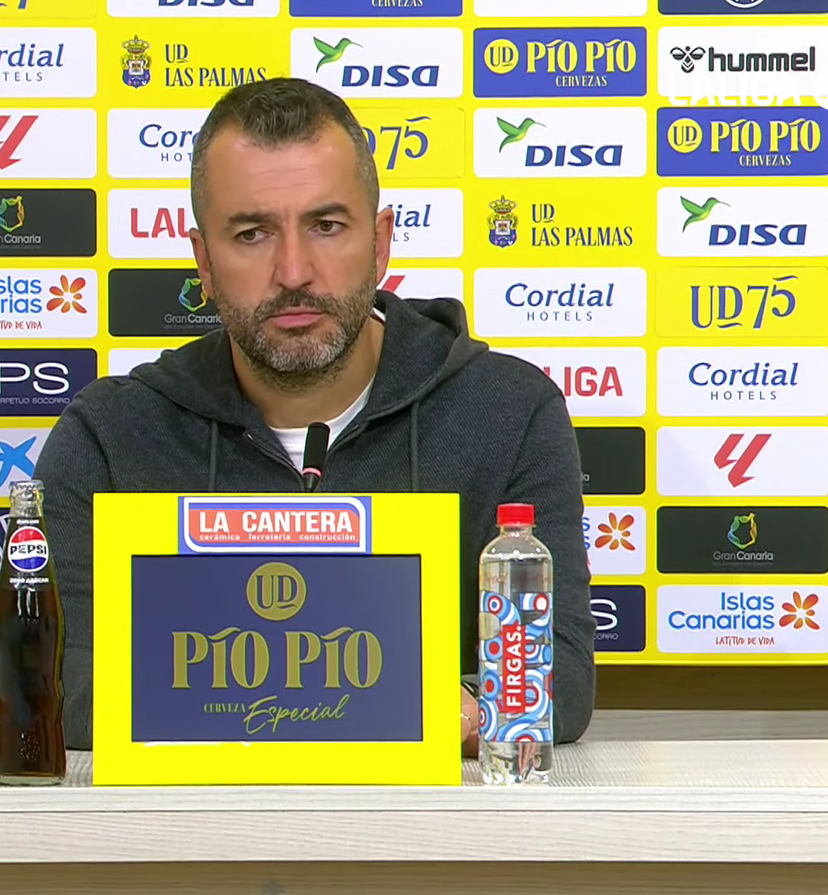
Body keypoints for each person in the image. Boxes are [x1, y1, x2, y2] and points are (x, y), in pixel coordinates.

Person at [34, 76, 595, 756]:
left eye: (327, 226)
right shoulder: (110, 437)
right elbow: (64, 689)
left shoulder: (509, 412)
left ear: (382, 243)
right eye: (252, 233)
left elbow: (553, 680)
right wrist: (396, 707)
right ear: (203, 263)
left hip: (435, 846)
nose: (294, 270)